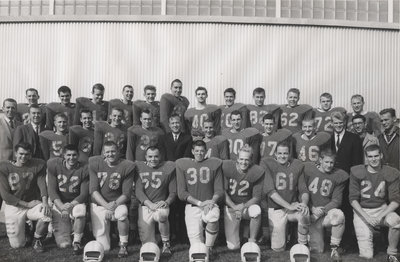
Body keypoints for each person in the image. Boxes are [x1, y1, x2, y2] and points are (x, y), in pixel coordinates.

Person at [349, 144, 400, 261]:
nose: (373, 159)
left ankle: (391, 253)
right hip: (362, 211)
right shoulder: (357, 171)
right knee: (367, 256)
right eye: (370, 156)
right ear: (366, 158)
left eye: (376, 156)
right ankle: (370, 238)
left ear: (381, 155)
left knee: (396, 220)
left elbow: (396, 201)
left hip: (381, 209)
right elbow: (353, 199)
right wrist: (366, 217)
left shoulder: (391, 172)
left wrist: (380, 216)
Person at [176, 140, 224, 257]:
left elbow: (219, 190)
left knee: (213, 216)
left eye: (202, 151)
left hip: (209, 204)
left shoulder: (214, 164)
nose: (199, 153)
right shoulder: (182, 164)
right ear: (192, 151)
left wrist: (211, 202)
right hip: (193, 205)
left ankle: (209, 248)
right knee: (196, 246)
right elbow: (181, 193)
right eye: (197, 151)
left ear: (206, 152)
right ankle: (202, 248)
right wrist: (199, 203)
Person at [0, 142, 50, 252]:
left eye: (27, 154)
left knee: (46, 214)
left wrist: (45, 201)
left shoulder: (38, 164)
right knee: (17, 245)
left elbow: (42, 184)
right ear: (15, 153)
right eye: (21, 154)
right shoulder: (4, 167)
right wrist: (26, 204)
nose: (24, 157)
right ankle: (26, 228)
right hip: (15, 205)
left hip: (32, 203)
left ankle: (37, 239)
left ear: (31, 154)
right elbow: (5, 195)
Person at [260, 141, 310, 251]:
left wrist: (304, 203)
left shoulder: (297, 165)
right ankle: (288, 232)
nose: (283, 156)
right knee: (278, 248)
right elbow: (271, 192)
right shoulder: (267, 164)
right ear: (275, 155)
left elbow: (303, 189)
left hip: (292, 206)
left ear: (289, 154)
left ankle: (302, 244)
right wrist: (289, 206)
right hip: (276, 208)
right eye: (280, 153)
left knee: (304, 214)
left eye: (285, 153)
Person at [89, 141, 135, 257]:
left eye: (113, 151)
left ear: (119, 152)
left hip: (118, 203)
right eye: (108, 152)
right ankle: (109, 237)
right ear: (103, 153)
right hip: (100, 204)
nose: (111, 154)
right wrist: (106, 206)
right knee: (104, 248)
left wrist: (113, 206)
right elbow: (93, 191)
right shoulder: (95, 164)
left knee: (123, 214)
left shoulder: (127, 165)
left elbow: (126, 193)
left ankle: (123, 245)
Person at [303, 148, 348, 261]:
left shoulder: (338, 175)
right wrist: (312, 208)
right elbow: (301, 192)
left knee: (339, 215)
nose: (329, 165)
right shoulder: (308, 170)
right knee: (317, 250)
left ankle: (334, 248)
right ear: (320, 160)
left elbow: (336, 201)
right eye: (326, 162)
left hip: (325, 213)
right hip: (312, 214)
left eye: (331, 162)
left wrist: (321, 211)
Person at [330, 110, 363, 251]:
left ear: (345, 123)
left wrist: (353, 182)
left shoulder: (354, 138)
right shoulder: (327, 138)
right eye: (335, 123)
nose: (338, 125)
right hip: (332, 181)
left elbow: (357, 163)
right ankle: (332, 239)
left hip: (349, 180)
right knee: (334, 209)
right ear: (331, 123)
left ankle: (347, 241)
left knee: (347, 210)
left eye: (341, 123)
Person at [47, 144, 89, 254]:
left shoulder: (84, 168)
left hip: (75, 202)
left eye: (74, 155)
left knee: (80, 211)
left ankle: (77, 241)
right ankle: (59, 230)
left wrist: (70, 205)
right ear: (63, 156)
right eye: (68, 155)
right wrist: (61, 206)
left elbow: (84, 194)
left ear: (78, 155)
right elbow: (52, 191)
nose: (72, 158)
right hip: (60, 203)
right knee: (64, 244)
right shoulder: (54, 165)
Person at [135, 147, 176, 256]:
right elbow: (138, 191)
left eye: (156, 156)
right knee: (148, 244)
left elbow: (173, 192)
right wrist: (149, 203)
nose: (153, 159)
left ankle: (166, 243)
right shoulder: (139, 168)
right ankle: (154, 241)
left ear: (160, 156)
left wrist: (167, 202)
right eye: (150, 156)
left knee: (162, 216)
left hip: (160, 204)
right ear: (145, 157)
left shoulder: (168, 167)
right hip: (145, 205)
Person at [223, 145, 264, 250]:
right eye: (241, 159)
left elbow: (256, 197)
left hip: (246, 207)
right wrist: (234, 206)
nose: (243, 162)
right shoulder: (228, 167)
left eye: (246, 159)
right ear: (237, 159)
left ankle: (251, 240)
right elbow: (223, 192)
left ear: (251, 160)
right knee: (233, 247)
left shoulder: (256, 171)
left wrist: (242, 207)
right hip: (231, 207)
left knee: (256, 210)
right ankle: (242, 233)